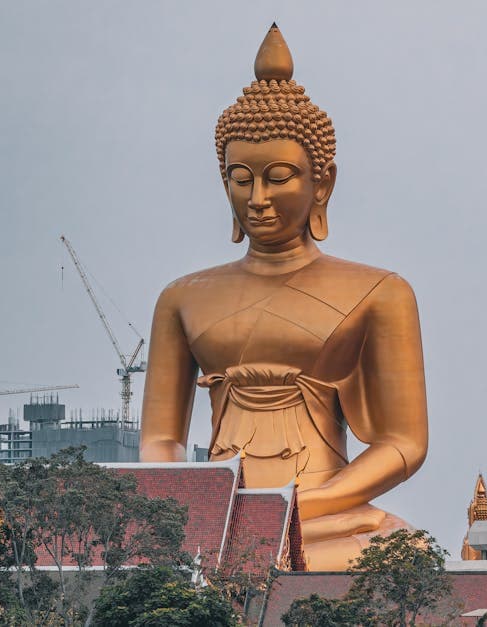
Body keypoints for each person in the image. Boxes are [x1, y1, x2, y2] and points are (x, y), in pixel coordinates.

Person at [139, 24, 428, 571]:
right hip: (217, 522)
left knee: (397, 554)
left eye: (279, 178)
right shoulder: (180, 299)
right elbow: (160, 442)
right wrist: (204, 512)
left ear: (323, 183)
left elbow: (403, 443)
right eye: (240, 179)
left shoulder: (381, 293)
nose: (258, 199)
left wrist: (288, 510)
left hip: (323, 517)